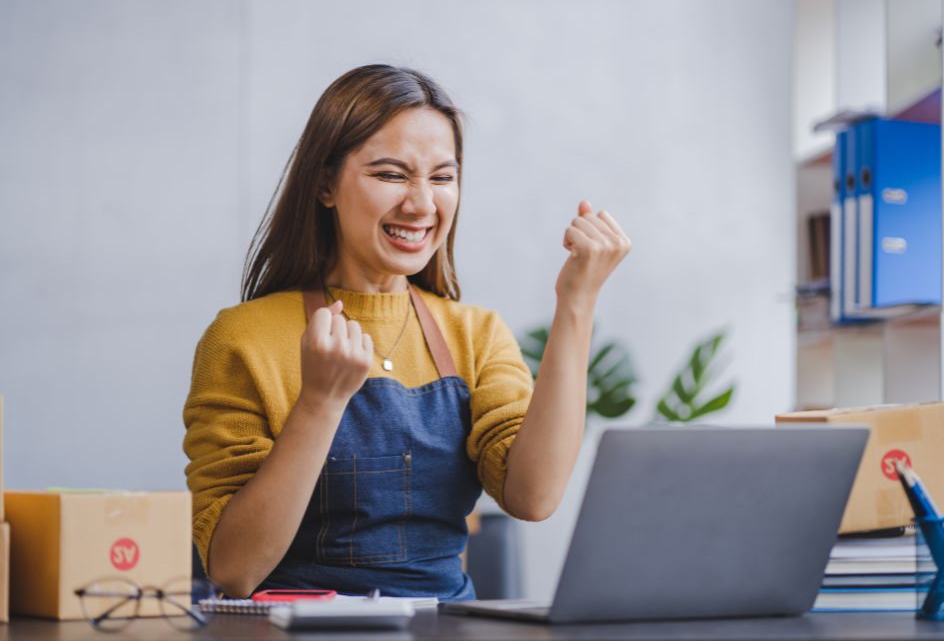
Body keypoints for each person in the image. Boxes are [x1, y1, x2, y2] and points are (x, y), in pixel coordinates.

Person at [182, 64, 631, 601]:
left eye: (442, 177)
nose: (421, 204)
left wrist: (576, 303)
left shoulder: (476, 334)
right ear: (325, 183)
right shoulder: (242, 338)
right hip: (296, 638)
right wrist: (320, 402)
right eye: (391, 175)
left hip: (447, 634)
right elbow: (234, 568)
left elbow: (533, 497)